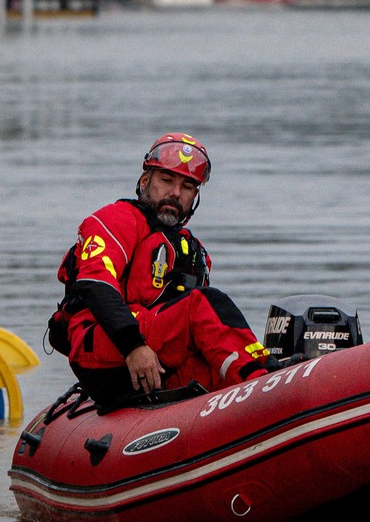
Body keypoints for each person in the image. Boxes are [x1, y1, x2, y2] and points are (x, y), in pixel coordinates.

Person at [49, 133, 273, 404]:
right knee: (204, 303)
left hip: (159, 365)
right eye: (167, 181)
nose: (176, 193)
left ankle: (272, 386)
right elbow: (96, 284)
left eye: (187, 186)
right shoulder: (117, 219)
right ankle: (265, 386)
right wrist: (134, 346)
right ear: (145, 181)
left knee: (214, 370)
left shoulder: (193, 251)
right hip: (107, 348)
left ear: (195, 196)